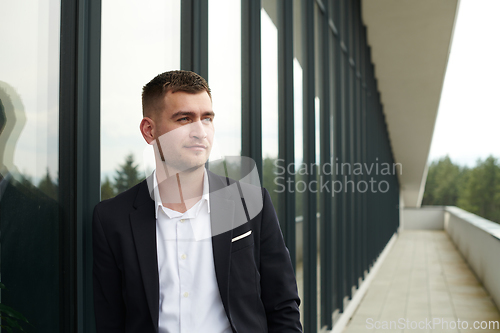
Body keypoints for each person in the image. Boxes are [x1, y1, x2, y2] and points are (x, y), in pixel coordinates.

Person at [92, 70, 302, 333]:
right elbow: (110, 320)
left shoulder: (250, 204)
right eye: (184, 119)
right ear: (149, 130)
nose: (200, 132)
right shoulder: (112, 219)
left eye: (207, 118)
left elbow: (282, 305)